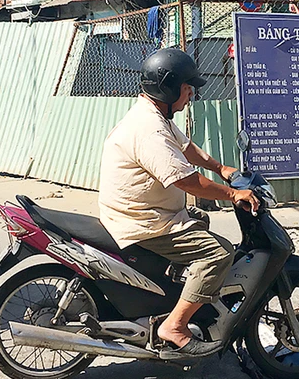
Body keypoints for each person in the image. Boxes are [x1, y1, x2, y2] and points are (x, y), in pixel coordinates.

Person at [99, 48, 260, 359]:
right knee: (219, 253)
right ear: (169, 88)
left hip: (148, 211)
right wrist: (232, 194)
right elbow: (183, 179)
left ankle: (178, 291)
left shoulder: (155, 115)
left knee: (199, 219)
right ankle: (175, 326)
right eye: (187, 88)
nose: (190, 95)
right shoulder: (148, 129)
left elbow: (186, 148)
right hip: (143, 221)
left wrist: (220, 168)